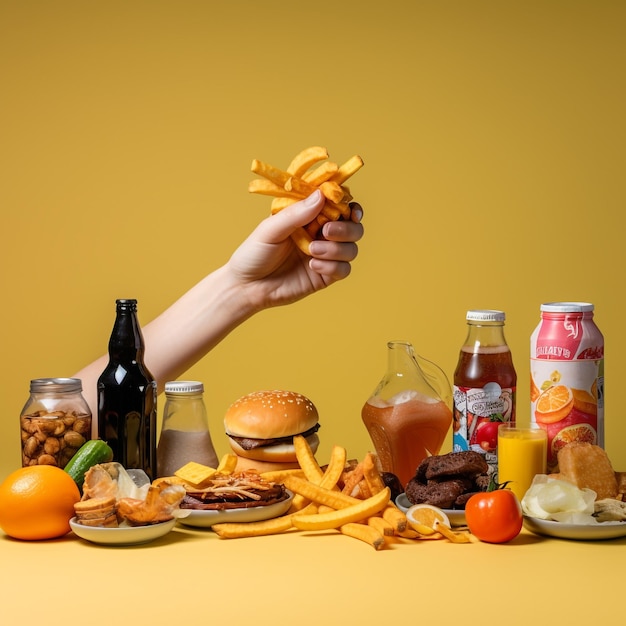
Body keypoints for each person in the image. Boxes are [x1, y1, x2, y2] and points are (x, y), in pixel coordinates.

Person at [73, 189, 364, 415]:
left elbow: (69, 412)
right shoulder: (46, 421)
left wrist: (241, 287)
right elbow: (61, 419)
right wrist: (241, 288)